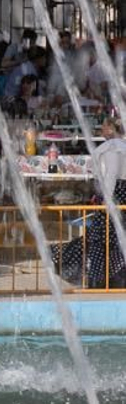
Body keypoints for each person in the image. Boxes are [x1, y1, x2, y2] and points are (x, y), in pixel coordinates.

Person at [54, 116, 126, 287]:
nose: (101, 131)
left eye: (103, 127)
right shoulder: (118, 147)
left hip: (115, 197)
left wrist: (106, 200)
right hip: (118, 196)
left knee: (101, 240)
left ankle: (99, 280)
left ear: (110, 129)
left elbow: (111, 175)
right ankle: (109, 279)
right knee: (110, 239)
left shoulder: (113, 149)